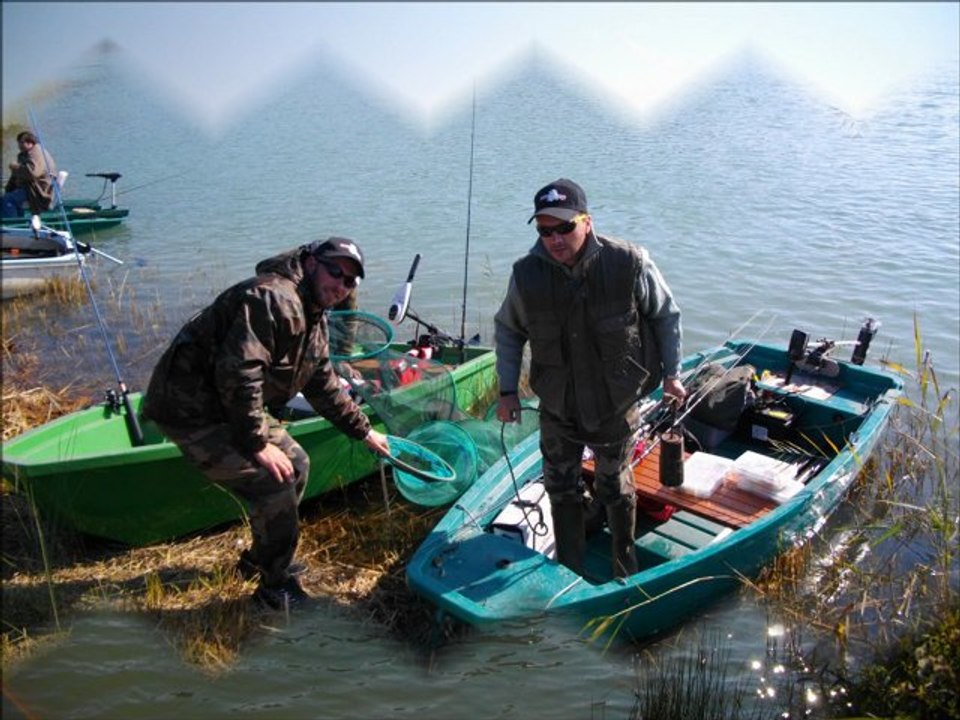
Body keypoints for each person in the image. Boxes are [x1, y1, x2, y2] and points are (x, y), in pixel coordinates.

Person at [142, 237, 391, 609]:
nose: (340, 284)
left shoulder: (314, 316)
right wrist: (257, 445)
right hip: (192, 411)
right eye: (334, 271)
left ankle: (261, 559)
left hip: (231, 408)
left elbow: (322, 385)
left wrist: (364, 430)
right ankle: (274, 588)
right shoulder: (273, 298)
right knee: (275, 481)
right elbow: (240, 373)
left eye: (350, 281)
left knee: (300, 464)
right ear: (309, 263)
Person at [494, 179, 686, 578]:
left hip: (614, 403)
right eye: (545, 230)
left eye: (565, 227)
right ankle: (569, 569)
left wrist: (673, 376)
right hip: (558, 405)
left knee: (614, 488)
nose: (555, 239)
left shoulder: (629, 262)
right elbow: (509, 331)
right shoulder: (526, 274)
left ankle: (623, 567)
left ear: (587, 221)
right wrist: (507, 391)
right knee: (559, 488)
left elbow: (665, 316)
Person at [3, 131, 57, 218]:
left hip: (38, 190)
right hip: (29, 187)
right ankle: (19, 219)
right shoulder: (25, 154)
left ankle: (11, 224)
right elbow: (17, 175)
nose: (19, 146)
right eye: (18, 143)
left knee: (8, 199)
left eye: (21, 143)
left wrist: (15, 167)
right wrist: (8, 188)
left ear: (30, 143)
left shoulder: (37, 153)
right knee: (7, 196)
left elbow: (32, 173)